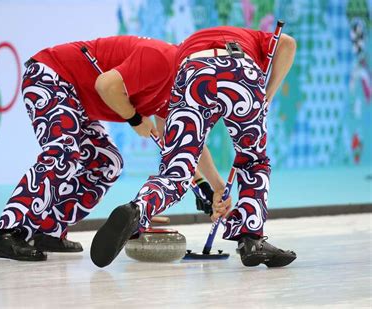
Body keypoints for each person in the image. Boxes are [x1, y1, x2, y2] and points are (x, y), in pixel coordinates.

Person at [0, 35, 221, 261]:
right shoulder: (161, 57)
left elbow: (180, 144)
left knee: (108, 163)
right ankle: (7, 232)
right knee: (64, 152)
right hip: (50, 75)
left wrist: (208, 187)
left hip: (77, 101)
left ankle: (48, 230)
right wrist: (136, 119)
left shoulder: (180, 87)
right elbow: (106, 85)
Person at [91, 26, 298, 268]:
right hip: (242, 70)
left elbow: (173, 132)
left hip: (192, 71)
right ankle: (251, 239)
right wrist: (268, 93)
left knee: (176, 170)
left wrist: (215, 186)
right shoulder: (251, 36)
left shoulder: (185, 48)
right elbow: (287, 43)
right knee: (253, 162)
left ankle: (138, 210)